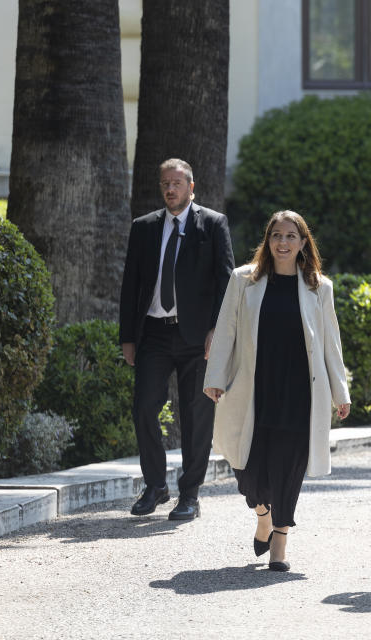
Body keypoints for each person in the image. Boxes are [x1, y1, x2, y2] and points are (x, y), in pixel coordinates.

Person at [203, 210, 350, 571]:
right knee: (247, 470)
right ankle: (262, 513)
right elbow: (226, 330)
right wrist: (215, 377)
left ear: (303, 243)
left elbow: (331, 343)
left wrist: (339, 393)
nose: (282, 243)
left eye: (290, 236)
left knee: (289, 467)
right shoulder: (244, 280)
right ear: (267, 241)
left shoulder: (319, 286)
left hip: (300, 393)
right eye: (276, 236)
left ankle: (280, 540)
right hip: (254, 389)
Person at [120, 158, 234, 520]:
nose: (170, 189)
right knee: (143, 409)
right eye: (165, 184)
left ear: (191, 187)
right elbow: (130, 286)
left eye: (177, 183)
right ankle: (155, 485)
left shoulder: (213, 224)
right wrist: (127, 337)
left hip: (197, 337)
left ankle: (190, 494)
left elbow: (226, 281)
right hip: (153, 332)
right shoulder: (144, 228)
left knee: (196, 415)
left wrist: (217, 329)